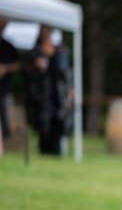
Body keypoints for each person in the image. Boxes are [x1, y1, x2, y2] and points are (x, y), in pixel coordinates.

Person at [25, 25, 72, 156]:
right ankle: (44, 151)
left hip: (56, 96)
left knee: (57, 123)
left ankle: (56, 151)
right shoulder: (35, 52)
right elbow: (27, 70)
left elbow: (64, 73)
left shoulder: (60, 51)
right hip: (41, 96)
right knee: (43, 125)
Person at [0, 17, 20, 144]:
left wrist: (5, 68)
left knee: (5, 116)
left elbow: (18, 64)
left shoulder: (8, 46)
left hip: (4, 89)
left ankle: (5, 142)